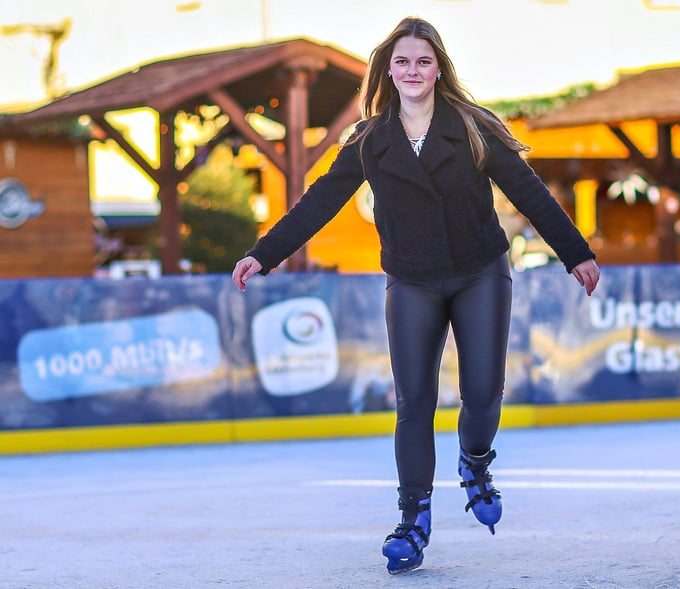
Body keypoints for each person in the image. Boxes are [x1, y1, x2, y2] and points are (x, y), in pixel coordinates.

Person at [230, 17, 600, 575]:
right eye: (401, 62)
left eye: (423, 62)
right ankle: (413, 519)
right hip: (412, 280)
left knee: (482, 393)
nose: (412, 71)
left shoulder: (474, 127)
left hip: (479, 272)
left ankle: (475, 462)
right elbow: (319, 202)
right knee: (414, 404)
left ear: (438, 69)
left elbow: (528, 191)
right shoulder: (369, 141)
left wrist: (576, 252)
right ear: (387, 70)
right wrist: (265, 252)